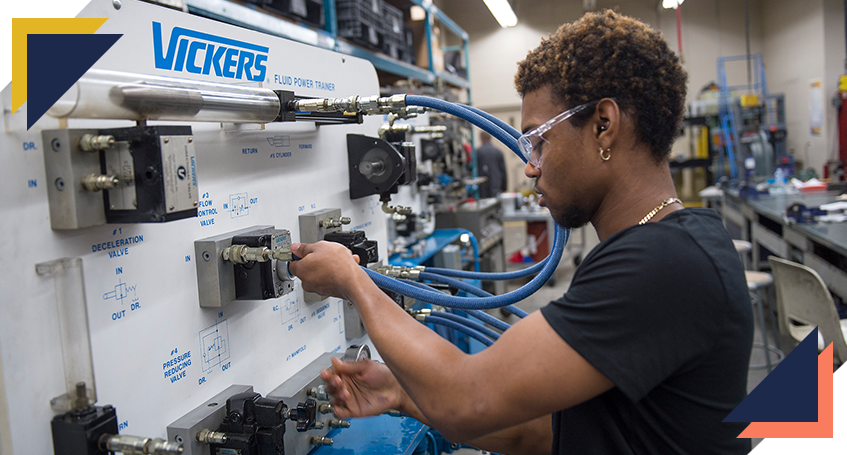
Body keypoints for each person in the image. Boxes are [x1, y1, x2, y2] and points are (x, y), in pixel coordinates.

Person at [289, 10, 753, 455]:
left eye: (537, 140)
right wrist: (403, 394)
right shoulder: (665, 245)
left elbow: (467, 399)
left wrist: (354, 281)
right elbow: (549, 433)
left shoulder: (664, 264)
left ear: (604, 125)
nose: (530, 166)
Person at [476, 130, 508, 198]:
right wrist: (504, 188)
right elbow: (503, 171)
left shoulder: (477, 152)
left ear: (481, 138)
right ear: (490, 138)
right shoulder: (498, 152)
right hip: (496, 185)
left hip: (482, 187)